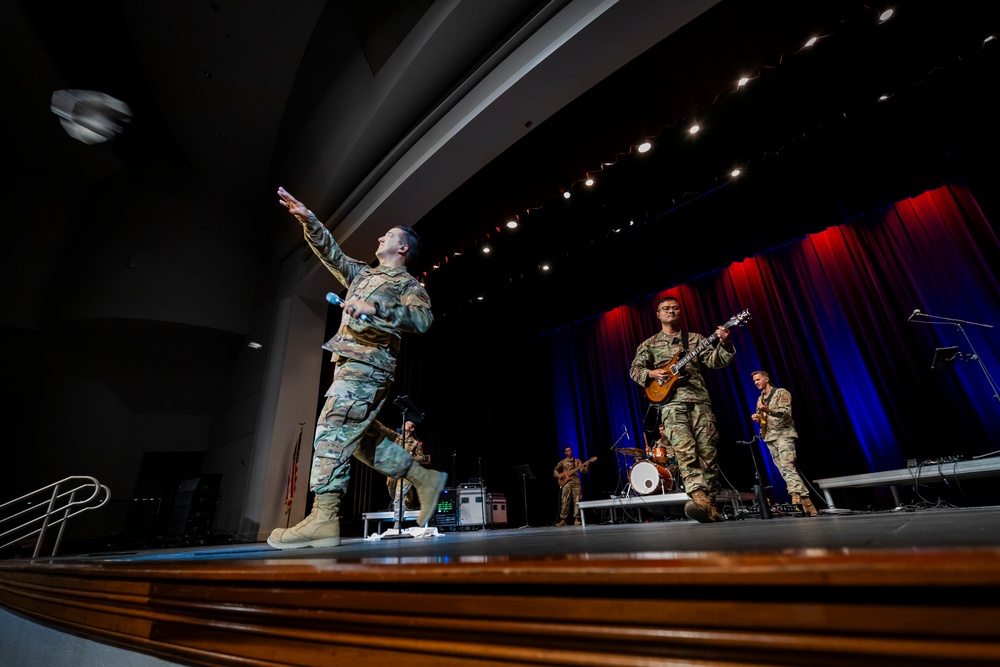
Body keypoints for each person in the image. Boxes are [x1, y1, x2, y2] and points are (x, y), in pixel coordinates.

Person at [267, 187, 447, 549]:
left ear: (403, 248)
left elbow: (423, 320)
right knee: (361, 441)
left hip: (369, 365)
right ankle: (423, 479)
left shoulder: (407, 285)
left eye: (389, 235)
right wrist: (309, 219)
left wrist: (376, 309)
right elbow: (332, 254)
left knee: (331, 430)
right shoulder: (363, 275)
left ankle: (324, 516)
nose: (380, 237)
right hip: (350, 363)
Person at [629, 296, 735, 523]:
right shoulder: (650, 344)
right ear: (658, 314)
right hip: (671, 404)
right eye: (666, 308)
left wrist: (724, 344)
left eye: (675, 308)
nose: (671, 311)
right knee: (686, 452)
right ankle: (698, 498)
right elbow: (635, 370)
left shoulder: (696, 339)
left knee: (708, 453)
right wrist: (652, 373)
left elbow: (715, 362)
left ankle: (710, 506)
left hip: (700, 402)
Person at [750, 370, 818, 516]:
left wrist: (767, 410)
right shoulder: (760, 398)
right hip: (770, 437)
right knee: (783, 469)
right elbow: (763, 417)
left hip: (784, 435)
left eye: (758, 379)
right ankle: (807, 504)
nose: (756, 383)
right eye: (754, 381)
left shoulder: (781, 392)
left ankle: (796, 498)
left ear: (766, 379)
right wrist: (758, 417)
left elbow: (785, 412)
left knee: (788, 466)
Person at [385, 420, 426, 512]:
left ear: (412, 429)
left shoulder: (415, 443)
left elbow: (421, 457)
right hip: (393, 471)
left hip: (406, 472)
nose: (404, 424)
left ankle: (398, 519)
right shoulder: (396, 438)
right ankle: (405, 506)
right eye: (404, 423)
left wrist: (412, 459)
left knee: (399, 495)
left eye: (408, 424)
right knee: (392, 491)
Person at [553, 447, 591, 526]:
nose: (569, 452)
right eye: (567, 451)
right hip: (566, 483)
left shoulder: (577, 461)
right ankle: (563, 520)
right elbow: (555, 470)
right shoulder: (562, 462)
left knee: (577, 501)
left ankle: (576, 519)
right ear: (565, 453)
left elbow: (583, 471)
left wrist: (587, 466)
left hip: (576, 483)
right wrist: (559, 475)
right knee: (565, 501)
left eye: (570, 450)